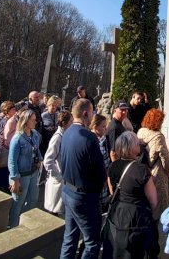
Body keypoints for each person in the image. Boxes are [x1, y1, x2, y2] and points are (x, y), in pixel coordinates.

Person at [59, 98, 106, 259]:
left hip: (68, 190)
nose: (93, 115)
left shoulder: (66, 132)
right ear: (85, 113)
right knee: (92, 242)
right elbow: (99, 170)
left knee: (69, 238)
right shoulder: (89, 137)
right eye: (92, 112)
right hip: (84, 196)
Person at [103, 131, 158, 259]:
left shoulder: (113, 166)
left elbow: (112, 191)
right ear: (131, 148)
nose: (140, 145)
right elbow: (153, 201)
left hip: (117, 214)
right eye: (137, 143)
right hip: (136, 218)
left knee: (117, 250)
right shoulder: (141, 170)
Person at [8, 109, 43, 227]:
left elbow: (37, 149)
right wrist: (15, 180)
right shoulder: (17, 139)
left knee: (33, 199)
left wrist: (40, 159)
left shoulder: (35, 134)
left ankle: (23, 221)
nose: (35, 122)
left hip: (33, 173)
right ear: (25, 121)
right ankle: (13, 226)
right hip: (22, 176)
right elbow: (12, 161)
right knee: (18, 202)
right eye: (33, 120)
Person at [137, 109, 169, 219]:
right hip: (156, 172)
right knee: (159, 204)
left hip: (143, 169)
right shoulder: (158, 137)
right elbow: (165, 159)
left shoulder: (140, 132)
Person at [43, 109, 72, 215]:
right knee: (53, 213)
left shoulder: (65, 135)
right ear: (65, 123)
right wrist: (58, 176)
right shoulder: (57, 138)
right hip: (58, 181)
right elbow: (48, 161)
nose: (72, 124)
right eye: (71, 122)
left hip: (63, 181)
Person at [0, 101, 17, 192]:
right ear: (7, 111)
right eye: (13, 109)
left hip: (11, 149)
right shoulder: (3, 122)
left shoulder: (14, 120)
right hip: (4, 151)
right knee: (3, 172)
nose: (15, 111)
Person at [90, 114, 111, 213]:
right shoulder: (92, 142)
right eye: (103, 126)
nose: (105, 129)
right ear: (95, 127)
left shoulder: (103, 139)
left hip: (104, 180)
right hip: (97, 182)